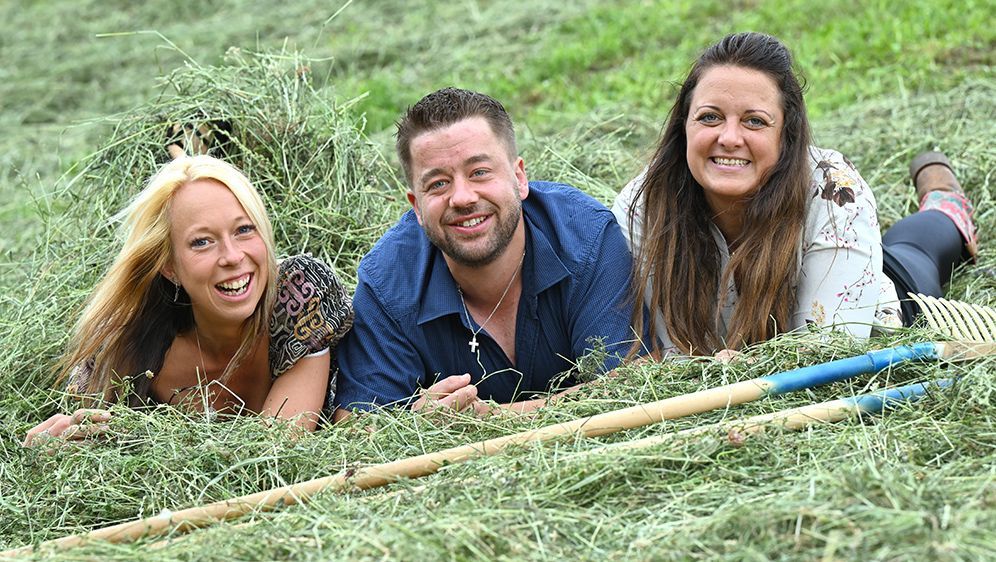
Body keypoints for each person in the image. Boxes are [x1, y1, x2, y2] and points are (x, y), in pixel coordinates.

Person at [612, 32, 977, 357]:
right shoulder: (643, 206)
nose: (729, 138)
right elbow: (667, 351)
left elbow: (829, 353)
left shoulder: (835, 191)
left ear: (786, 136)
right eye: (710, 117)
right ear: (684, 126)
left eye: (755, 121)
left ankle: (944, 199)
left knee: (918, 248)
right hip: (746, 361)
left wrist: (739, 372)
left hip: (876, 315)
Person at [333, 87, 643, 416]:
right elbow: (356, 422)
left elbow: (628, 383)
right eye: (438, 183)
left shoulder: (587, 237)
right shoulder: (386, 283)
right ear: (417, 208)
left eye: (479, 172)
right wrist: (414, 421)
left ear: (519, 178)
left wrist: (490, 419)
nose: (462, 198)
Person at [23, 155, 353, 446]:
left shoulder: (300, 296)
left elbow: (275, 449)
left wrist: (136, 440)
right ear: (169, 267)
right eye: (202, 242)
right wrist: (61, 445)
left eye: (243, 230)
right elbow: (74, 439)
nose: (232, 257)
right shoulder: (122, 349)